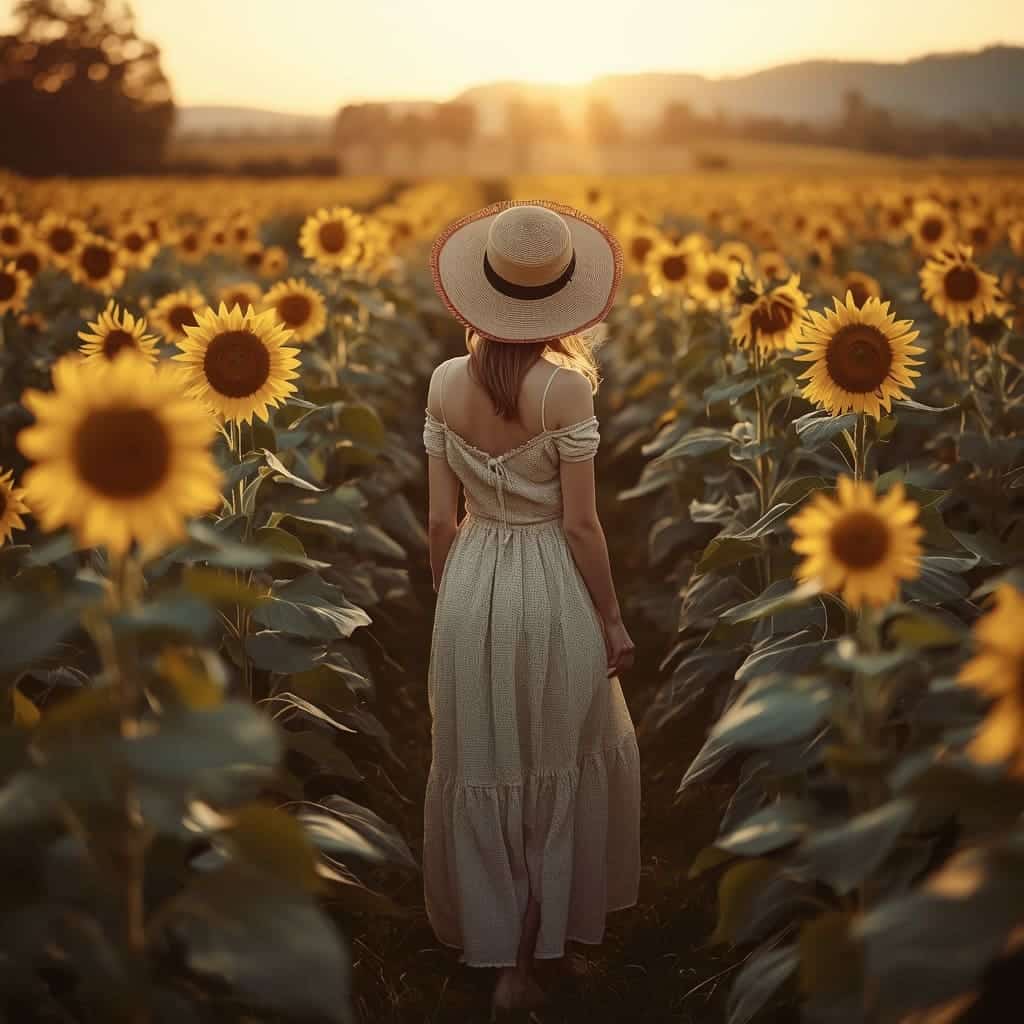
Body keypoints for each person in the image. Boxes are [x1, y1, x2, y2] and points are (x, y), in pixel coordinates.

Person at [421, 200, 641, 1018]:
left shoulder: (444, 382)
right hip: (548, 582)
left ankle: (504, 965)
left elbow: (441, 522)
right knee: (559, 754)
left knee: (485, 761)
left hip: (474, 579)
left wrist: (455, 601)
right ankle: (544, 948)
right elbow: (582, 526)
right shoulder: (566, 392)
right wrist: (613, 619)